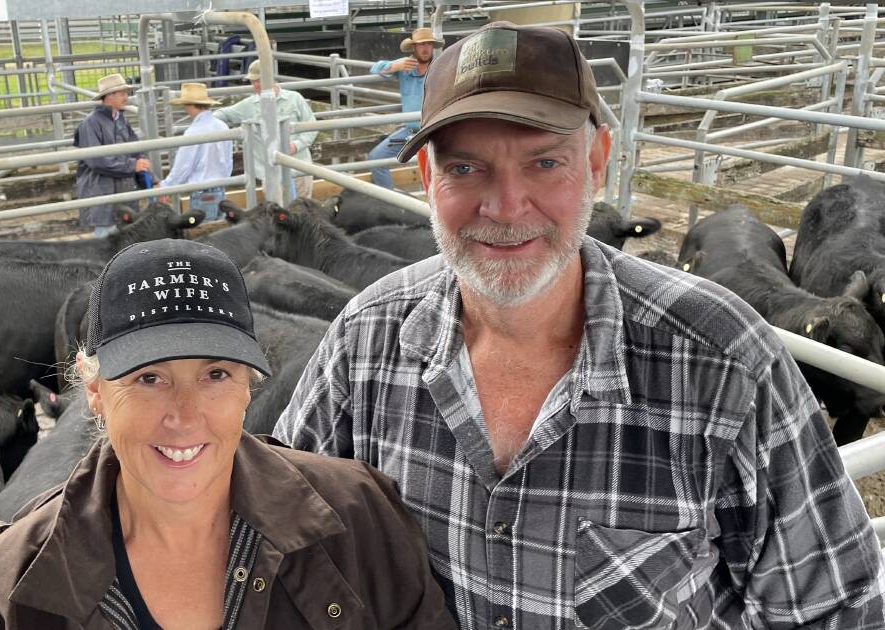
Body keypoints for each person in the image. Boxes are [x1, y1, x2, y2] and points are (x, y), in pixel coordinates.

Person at [275, 21, 885, 628]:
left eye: (544, 162)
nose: (506, 207)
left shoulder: (725, 361)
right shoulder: (365, 339)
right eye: (465, 169)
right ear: (429, 179)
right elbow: (276, 523)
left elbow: (838, 607)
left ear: (596, 162)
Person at [0, 239, 456, 629]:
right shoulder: (11, 583)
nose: (184, 416)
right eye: (148, 378)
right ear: (93, 390)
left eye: (215, 375)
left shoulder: (360, 517)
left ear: (248, 387)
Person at [214, 60, 318, 200]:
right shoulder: (250, 104)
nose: (255, 85)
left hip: (299, 166)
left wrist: (296, 145)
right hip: (271, 171)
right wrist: (208, 124)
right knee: (277, 211)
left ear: (270, 79)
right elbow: (222, 114)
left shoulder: (294, 98)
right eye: (253, 81)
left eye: (259, 80)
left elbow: (312, 126)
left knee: (303, 208)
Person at [74, 73, 153, 236]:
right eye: (123, 93)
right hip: (102, 192)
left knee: (125, 238)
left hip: (121, 190)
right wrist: (133, 166)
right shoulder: (90, 123)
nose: (126, 97)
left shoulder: (121, 120)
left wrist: (152, 181)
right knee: (107, 240)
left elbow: (137, 151)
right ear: (110, 96)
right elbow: (97, 161)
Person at [367, 27, 442, 191]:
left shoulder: (439, 68)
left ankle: (433, 206)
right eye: (421, 44)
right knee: (375, 159)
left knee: (438, 169)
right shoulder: (405, 68)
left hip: (434, 130)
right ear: (414, 48)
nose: (425, 48)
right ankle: (392, 204)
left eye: (429, 44)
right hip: (410, 131)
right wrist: (394, 66)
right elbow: (375, 68)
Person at [156, 83, 233, 223]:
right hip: (220, 189)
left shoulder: (193, 132)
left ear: (189, 105)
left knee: (202, 235)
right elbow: (228, 162)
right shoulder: (222, 126)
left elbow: (183, 167)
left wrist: (166, 186)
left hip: (201, 193)